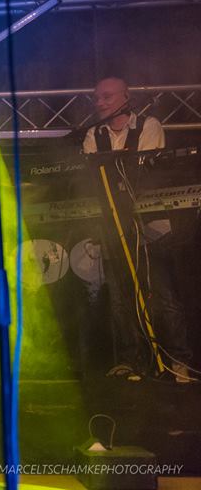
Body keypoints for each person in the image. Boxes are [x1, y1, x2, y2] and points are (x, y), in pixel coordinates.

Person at [82, 77, 191, 383]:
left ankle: (177, 361)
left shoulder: (148, 125)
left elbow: (146, 173)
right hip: (114, 227)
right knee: (121, 299)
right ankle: (133, 361)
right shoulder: (94, 134)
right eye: (96, 97)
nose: (100, 102)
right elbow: (93, 178)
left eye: (107, 96)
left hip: (150, 225)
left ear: (126, 98)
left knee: (162, 295)